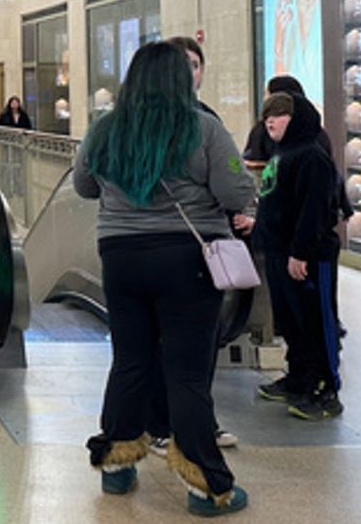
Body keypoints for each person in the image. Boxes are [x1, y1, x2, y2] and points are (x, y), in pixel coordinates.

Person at [74, 42, 254, 515]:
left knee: (130, 359)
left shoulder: (104, 129)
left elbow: (84, 184)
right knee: (187, 372)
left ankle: (115, 463)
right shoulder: (204, 129)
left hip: (121, 257)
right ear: (181, 80)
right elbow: (236, 190)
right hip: (187, 261)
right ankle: (205, 486)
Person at [148, 36, 236, 453]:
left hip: (178, 246)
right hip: (180, 246)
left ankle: (195, 423)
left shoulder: (208, 119)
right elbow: (233, 186)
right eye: (182, 65)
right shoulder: (196, 126)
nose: (189, 73)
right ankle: (168, 426)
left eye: (196, 64)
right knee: (167, 344)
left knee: (197, 345)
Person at [241, 92, 344, 421]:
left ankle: (327, 389)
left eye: (279, 114)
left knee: (316, 320)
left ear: (296, 118)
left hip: (308, 256)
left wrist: (300, 252)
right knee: (291, 321)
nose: (271, 120)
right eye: (267, 115)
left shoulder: (312, 157)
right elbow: (280, 204)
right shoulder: (282, 154)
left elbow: (313, 210)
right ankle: (299, 378)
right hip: (280, 252)